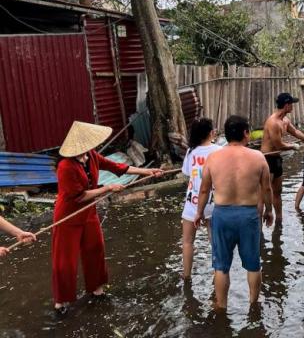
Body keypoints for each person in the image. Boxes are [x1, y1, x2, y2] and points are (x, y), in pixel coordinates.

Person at [52, 121, 163, 316]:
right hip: (69, 215)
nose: (90, 148)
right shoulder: (65, 166)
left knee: (95, 248)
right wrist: (107, 188)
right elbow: (79, 196)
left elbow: (118, 167)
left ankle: (96, 289)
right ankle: (61, 301)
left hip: (89, 212)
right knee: (65, 260)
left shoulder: (92, 156)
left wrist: (147, 171)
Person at [194, 115, 274, 309]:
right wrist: (269, 210)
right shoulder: (258, 157)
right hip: (248, 216)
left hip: (222, 215)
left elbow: (204, 190)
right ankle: (254, 305)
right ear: (246, 133)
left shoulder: (213, 158)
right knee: (253, 264)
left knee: (221, 267)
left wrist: (199, 213)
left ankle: (221, 306)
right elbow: (267, 189)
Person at [261, 93, 304, 222]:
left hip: (277, 160)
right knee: (264, 193)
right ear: (287, 105)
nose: (293, 106)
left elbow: (296, 132)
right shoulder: (273, 122)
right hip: (267, 160)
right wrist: (292, 146)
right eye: (292, 103)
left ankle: (279, 220)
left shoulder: (285, 121)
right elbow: (279, 145)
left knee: (278, 191)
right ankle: (259, 225)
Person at [181, 118, 221, 280]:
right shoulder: (220, 150)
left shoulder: (191, 151)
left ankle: (186, 276)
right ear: (211, 133)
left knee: (187, 242)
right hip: (214, 203)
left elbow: (186, 173)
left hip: (193, 202)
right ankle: (217, 275)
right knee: (215, 244)